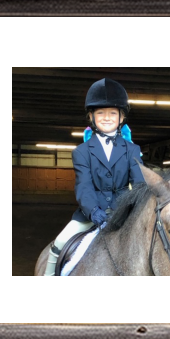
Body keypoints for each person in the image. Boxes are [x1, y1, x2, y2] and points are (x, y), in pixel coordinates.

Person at [44, 78, 145, 275]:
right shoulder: (81, 152)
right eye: (100, 113)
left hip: (124, 213)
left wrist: (134, 209)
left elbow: (140, 184)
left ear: (121, 117)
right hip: (91, 214)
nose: (106, 117)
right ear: (91, 116)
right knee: (60, 243)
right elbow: (84, 186)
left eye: (112, 113)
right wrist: (94, 212)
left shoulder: (132, 149)